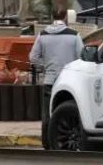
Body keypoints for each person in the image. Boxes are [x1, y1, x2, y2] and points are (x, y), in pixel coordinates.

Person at [30, 8, 84, 148]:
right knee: (69, 112)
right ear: (66, 17)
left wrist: (46, 67)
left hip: (50, 80)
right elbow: (82, 57)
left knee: (47, 114)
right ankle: (68, 140)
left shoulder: (42, 35)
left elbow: (33, 57)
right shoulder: (74, 35)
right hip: (70, 82)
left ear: (52, 16)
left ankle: (47, 144)